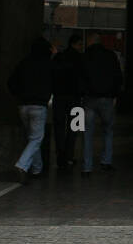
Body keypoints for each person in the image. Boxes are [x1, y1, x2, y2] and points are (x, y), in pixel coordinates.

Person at [8, 36, 53, 183]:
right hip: (39, 105)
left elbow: (11, 82)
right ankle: (22, 165)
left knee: (33, 138)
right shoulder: (47, 64)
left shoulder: (24, 63)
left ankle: (37, 168)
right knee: (36, 138)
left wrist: (19, 95)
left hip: (23, 105)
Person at [80, 33, 124, 174]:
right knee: (108, 130)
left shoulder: (85, 56)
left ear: (91, 42)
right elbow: (118, 76)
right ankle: (106, 161)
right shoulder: (111, 56)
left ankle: (87, 167)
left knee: (87, 132)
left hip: (89, 99)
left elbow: (79, 77)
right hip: (107, 98)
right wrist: (115, 95)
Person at [50, 35, 84, 169]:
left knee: (59, 127)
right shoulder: (80, 59)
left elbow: (52, 74)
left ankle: (60, 156)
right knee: (74, 128)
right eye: (81, 44)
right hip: (75, 98)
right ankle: (69, 156)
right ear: (76, 44)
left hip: (59, 97)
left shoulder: (59, 57)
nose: (82, 47)